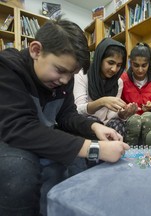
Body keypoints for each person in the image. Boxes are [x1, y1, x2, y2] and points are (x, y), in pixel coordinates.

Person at [0, 18, 129, 216]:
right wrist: (93, 148)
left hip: (38, 135)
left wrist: (94, 128)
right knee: (19, 169)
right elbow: (19, 128)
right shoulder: (8, 67)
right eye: (60, 70)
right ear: (36, 50)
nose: (65, 80)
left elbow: (67, 115)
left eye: (72, 74)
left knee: (79, 157)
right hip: (10, 141)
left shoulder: (63, 78)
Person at [73, 38, 137, 137]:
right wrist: (102, 101)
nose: (114, 69)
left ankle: (115, 152)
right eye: (110, 63)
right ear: (100, 59)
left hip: (105, 123)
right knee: (92, 122)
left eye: (119, 65)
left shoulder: (118, 82)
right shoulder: (82, 74)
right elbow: (78, 111)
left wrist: (122, 114)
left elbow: (110, 116)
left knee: (118, 124)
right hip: (84, 122)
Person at [121, 42, 151, 145]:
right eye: (136, 65)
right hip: (129, 120)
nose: (140, 70)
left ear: (149, 64)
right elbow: (118, 106)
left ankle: (149, 155)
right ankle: (129, 153)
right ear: (130, 63)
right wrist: (126, 109)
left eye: (144, 65)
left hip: (150, 120)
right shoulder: (123, 79)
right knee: (134, 120)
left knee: (148, 117)